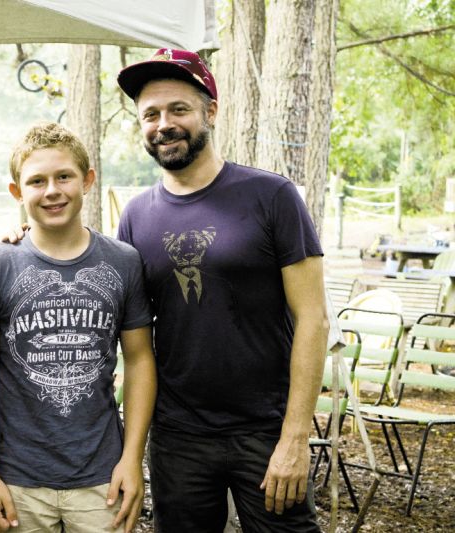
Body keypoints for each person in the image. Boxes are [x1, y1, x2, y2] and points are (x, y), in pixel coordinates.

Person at [114, 48, 329, 532]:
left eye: (178, 109)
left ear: (211, 112)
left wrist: (295, 437)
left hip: (265, 431)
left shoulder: (272, 196)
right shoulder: (136, 216)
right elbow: (129, 330)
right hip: (177, 437)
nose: (163, 124)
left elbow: (313, 318)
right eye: (150, 114)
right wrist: (24, 242)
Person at [0, 122, 157, 533]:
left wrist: (132, 458)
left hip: (102, 475)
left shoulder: (124, 261)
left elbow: (141, 359)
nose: (52, 190)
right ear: (17, 192)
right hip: (17, 478)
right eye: (36, 181)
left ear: (87, 180)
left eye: (64, 176)